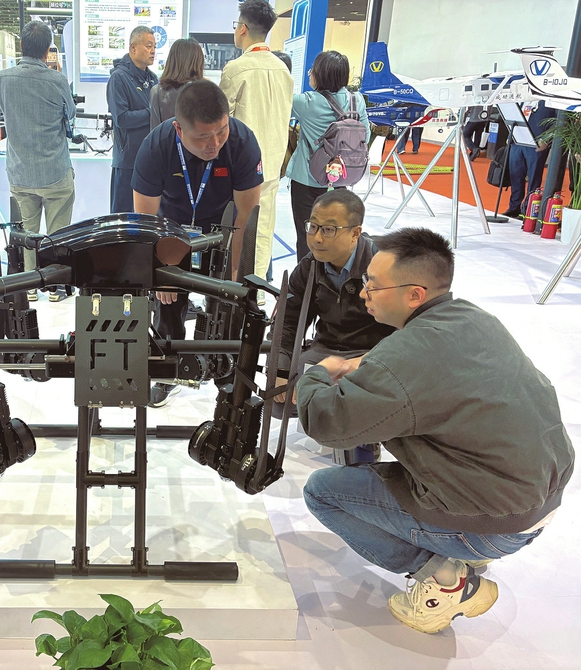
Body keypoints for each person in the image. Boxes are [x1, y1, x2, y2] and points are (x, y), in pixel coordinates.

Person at [297, 227, 574, 634]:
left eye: (373, 284)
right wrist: (372, 365)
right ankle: (465, 547)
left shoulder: (403, 360)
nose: (363, 293)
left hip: (498, 521)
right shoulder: (473, 318)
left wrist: (318, 374)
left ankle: (445, 580)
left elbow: (326, 423)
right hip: (541, 496)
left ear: (414, 294)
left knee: (322, 492)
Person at [132, 80, 262, 407]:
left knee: (228, 306)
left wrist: (235, 271)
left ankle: (226, 376)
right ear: (179, 129)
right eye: (203, 136)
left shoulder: (243, 143)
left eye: (221, 131)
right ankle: (167, 373)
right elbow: (146, 219)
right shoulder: (156, 147)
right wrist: (160, 269)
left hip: (222, 233)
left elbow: (245, 218)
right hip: (171, 232)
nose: (214, 143)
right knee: (167, 303)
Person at [269, 190, 394, 465]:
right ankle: (333, 424)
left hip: (372, 354)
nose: (316, 238)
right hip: (326, 349)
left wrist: (368, 364)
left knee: (356, 397)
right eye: (313, 227)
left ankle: (366, 437)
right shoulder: (309, 266)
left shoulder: (383, 266)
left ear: (355, 233)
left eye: (328, 229)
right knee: (278, 398)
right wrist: (279, 369)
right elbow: (286, 323)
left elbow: (405, 331)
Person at [0, 20, 76, 303]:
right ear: (48, 50)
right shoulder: (57, 80)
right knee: (58, 232)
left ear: (21, 45)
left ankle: (29, 285)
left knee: (26, 233)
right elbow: (70, 114)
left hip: (20, 171)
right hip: (54, 169)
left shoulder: (2, 78)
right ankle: (54, 287)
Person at [221, 0, 294, 305]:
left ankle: (231, 287)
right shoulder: (283, 70)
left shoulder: (236, 69)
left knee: (234, 226)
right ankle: (257, 292)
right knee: (264, 228)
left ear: (243, 28)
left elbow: (221, 120)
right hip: (273, 161)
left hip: (241, 164)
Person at [287, 51, 370, 261]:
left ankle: (307, 277)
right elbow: (366, 135)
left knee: (307, 236)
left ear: (319, 74)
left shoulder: (306, 102)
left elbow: (278, 102)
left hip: (308, 179)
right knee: (334, 235)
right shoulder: (356, 100)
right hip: (341, 178)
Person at [107, 26, 158, 213]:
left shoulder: (153, 79)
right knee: (122, 217)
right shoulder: (118, 78)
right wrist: (152, 112)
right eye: (148, 46)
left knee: (146, 218)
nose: (153, 51)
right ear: (133, 47)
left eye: (154, 47)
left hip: (150, 159)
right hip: (127, 161)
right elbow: (121, 118)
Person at [504, 100, 557, 219]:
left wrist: (546, 139)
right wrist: (510, 135)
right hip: (517, 141)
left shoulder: (549, 100)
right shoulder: (524, 98)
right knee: (515, 175)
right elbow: (515, 117)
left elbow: (556, 122)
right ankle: (513, 208)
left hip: (537, 144)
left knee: (534, 178)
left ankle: (528, 209)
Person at [149, 38, 204, 130]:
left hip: (166, 139)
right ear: (198, 62)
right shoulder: (204, 90)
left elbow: (155, 131)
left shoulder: (156, 91)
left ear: (171, 61)